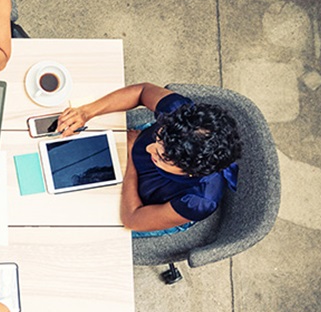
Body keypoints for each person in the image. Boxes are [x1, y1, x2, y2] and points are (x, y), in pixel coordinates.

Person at [55, 83, 243, 237]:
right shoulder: (179, 115)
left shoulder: (197, 200)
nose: (148, 148)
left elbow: (132, 219)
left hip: (146, 207)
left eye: (162, 156)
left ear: (190, 172)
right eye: (158, 136)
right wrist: (86, 112)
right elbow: (142, 91)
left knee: (82, 226)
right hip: (131, 149)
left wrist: (130, 158)